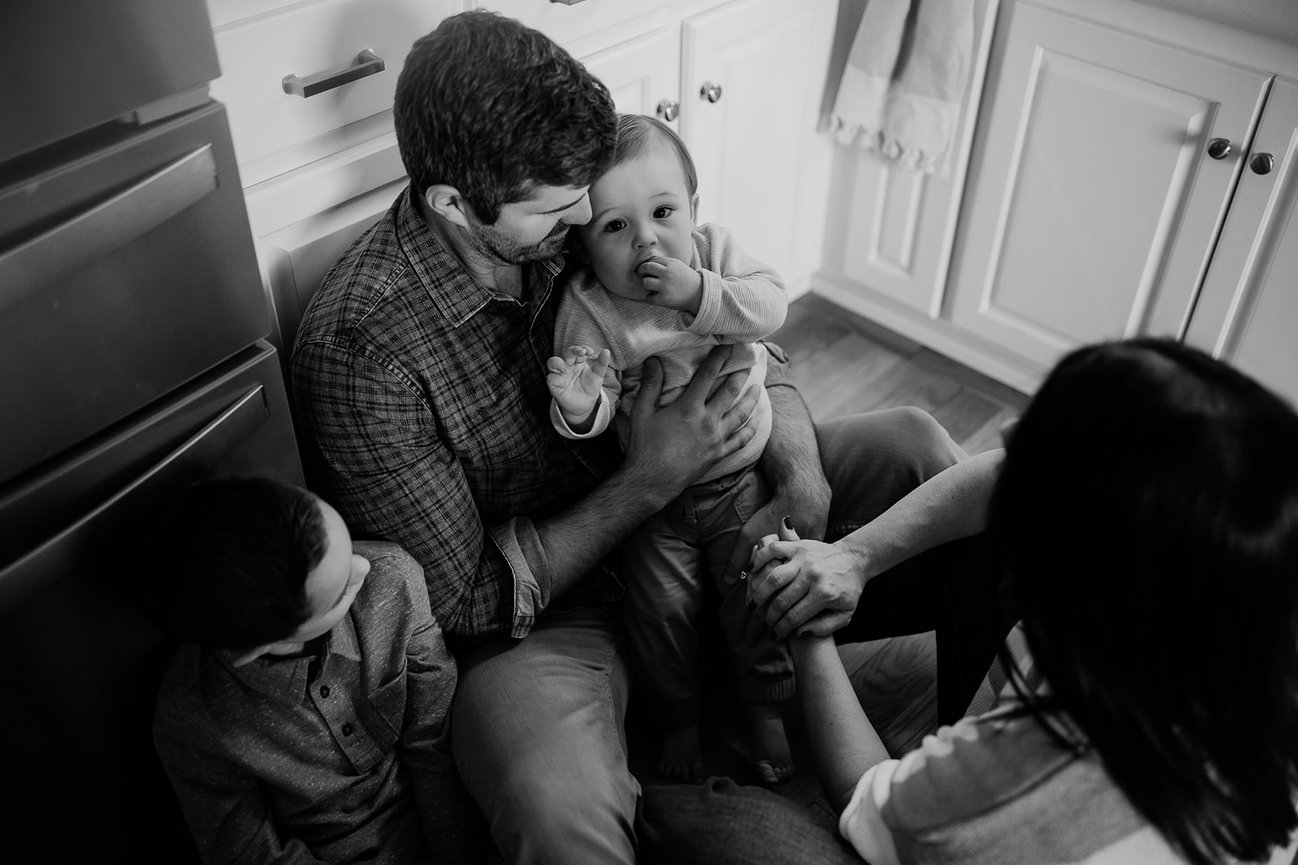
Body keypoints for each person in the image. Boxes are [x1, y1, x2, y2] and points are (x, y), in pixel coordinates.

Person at [291, 10, 1009, 864]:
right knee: (554, 809)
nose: (589, 229)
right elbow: (460, 603)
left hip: (720, 496)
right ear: (453, 203)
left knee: (921, 450)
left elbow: (742, 336)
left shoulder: (587, 194)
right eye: (563, 215)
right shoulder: (361, 347)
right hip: (556, 613)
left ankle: (984, 771)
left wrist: (801, 473)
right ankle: (683, 732)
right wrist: (653, 476)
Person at [640, 337, 1298, 865]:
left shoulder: (1046, 767)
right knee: (927, 454)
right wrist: (849, 558)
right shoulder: (1226, 594)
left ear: (1087, 578)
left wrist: (806, 631)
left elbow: (868, 793)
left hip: (974, 809)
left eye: (1037, 443)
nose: (1007, 430)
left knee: (705, 825)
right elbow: (999, 478)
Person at [546, 113, 794, 785]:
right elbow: (594, 404)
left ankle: (768, 706)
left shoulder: (712, 255)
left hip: (741, 478)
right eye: (615, 226)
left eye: (662, 211)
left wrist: (699, 292)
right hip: (654, 503)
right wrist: (579, 405)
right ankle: (679, 718)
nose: (647, 239)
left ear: (694, 210)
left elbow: (771, 308)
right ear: (583, 247)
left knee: (754, 591)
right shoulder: (591, 307)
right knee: (660, 615)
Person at [145, 477, 482, 864]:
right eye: (341, 592)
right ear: (261, 646)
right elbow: (249, 852)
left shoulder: (392, 577)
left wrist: (456, 851)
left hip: (455, 819)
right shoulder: (194, 717)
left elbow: (434, 740)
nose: (363, 565)